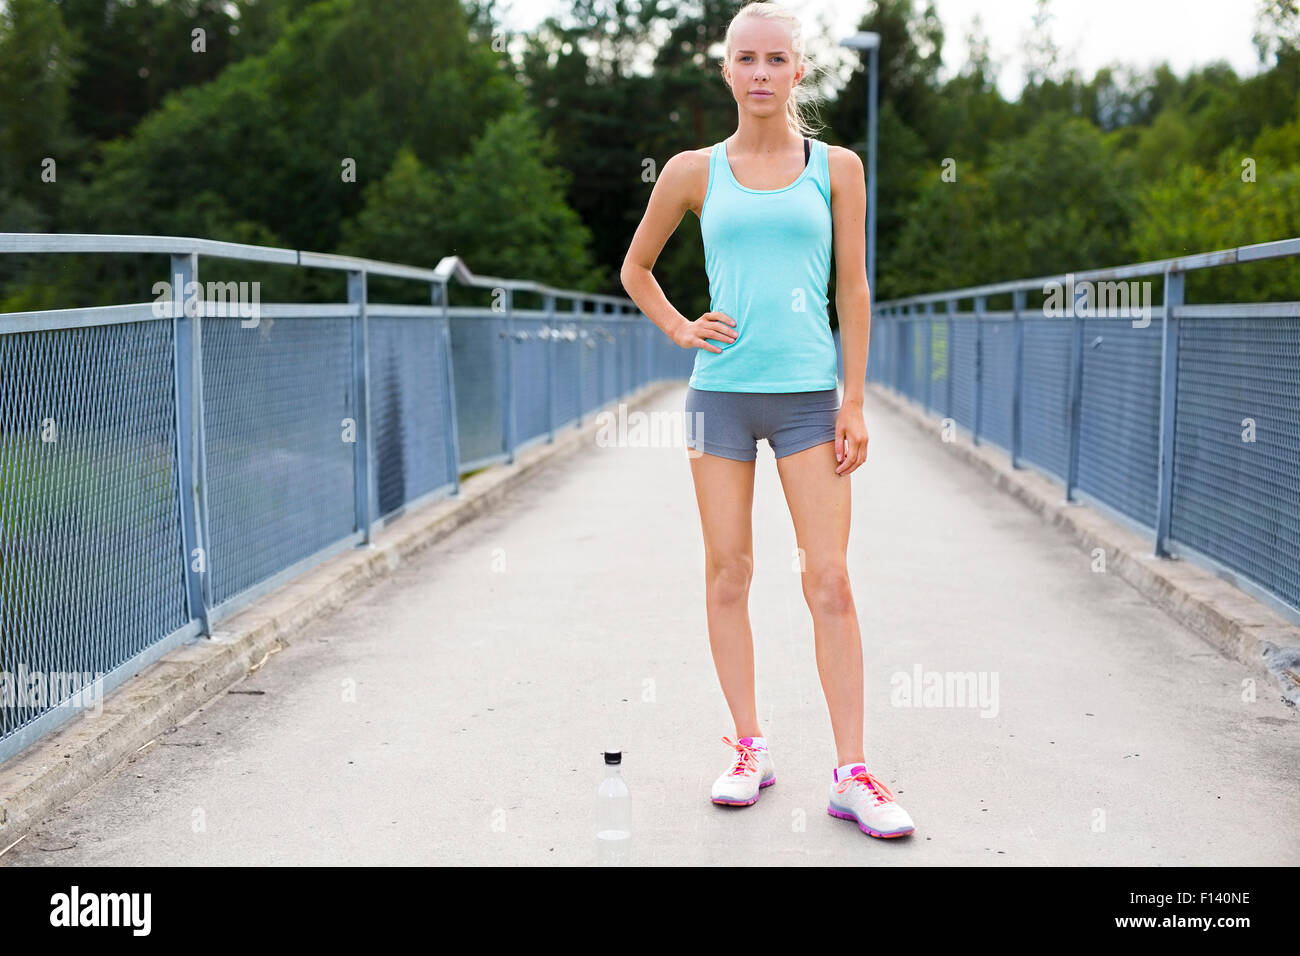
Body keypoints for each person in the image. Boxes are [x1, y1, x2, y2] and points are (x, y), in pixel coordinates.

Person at [620, 1, 915, 840]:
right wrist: (682, 327)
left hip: (809, 401)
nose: (759, 72)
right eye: (745, 58)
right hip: (720, 393)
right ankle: (749, 748)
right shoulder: (691, 170)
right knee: (728, 574)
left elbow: (853, 289)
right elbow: (637, 269)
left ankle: (852, 773)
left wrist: (853, 398)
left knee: (829, 579)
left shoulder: (839, 168)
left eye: (775, 59)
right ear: (726, 70)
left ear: (797, 72)